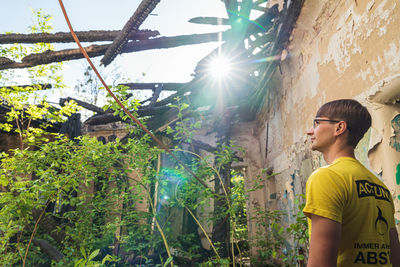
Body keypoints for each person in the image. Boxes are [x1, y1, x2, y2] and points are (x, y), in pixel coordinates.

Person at [303, 99, 400, 267]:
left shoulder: (326, 177)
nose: (309, 131)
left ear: (339, 128)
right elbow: (395, 256)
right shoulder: (380, 187)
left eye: (317, 123)